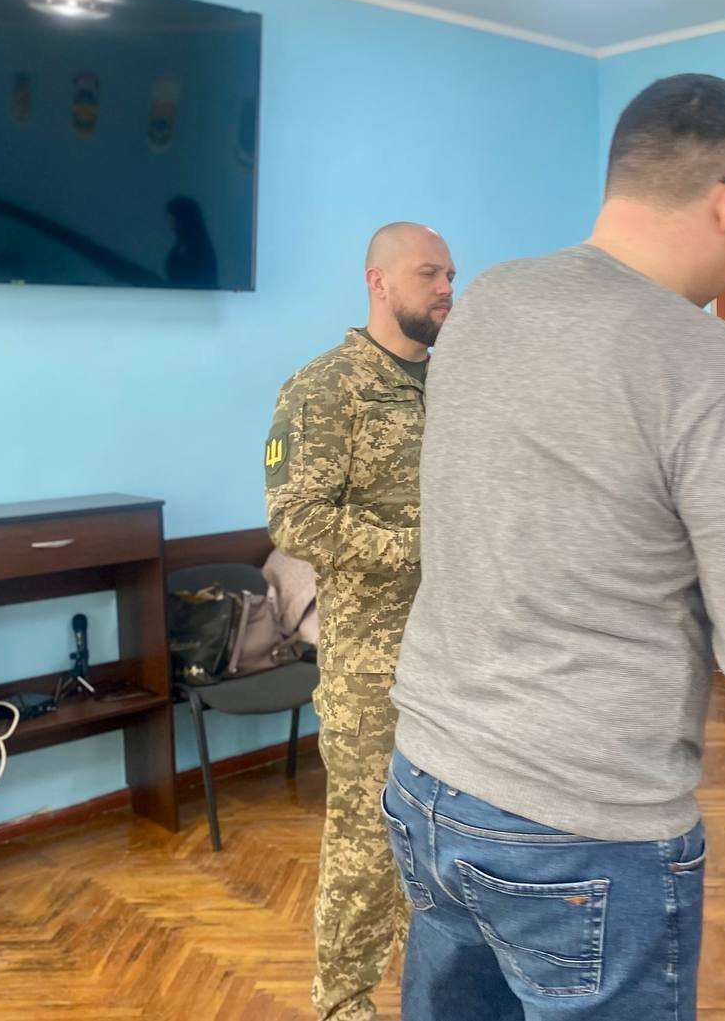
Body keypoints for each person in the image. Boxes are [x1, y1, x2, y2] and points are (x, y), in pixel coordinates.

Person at [385, 73, 725, 1020]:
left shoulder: (487, 301)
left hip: (429, 776)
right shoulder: (711, 366)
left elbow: (549, 508)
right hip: (580, 822)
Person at [264, 222, 456, 1021]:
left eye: (451, 275)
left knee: (444, 836)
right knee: (367, 844)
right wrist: (420, 545)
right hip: (373, 666)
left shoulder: (453, 382)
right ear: (379, 281)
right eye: (429, 273)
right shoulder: (324, 387)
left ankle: (434, 989)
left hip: (458, 657)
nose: (446, 289)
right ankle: (342, 1002)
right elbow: (296, 518)